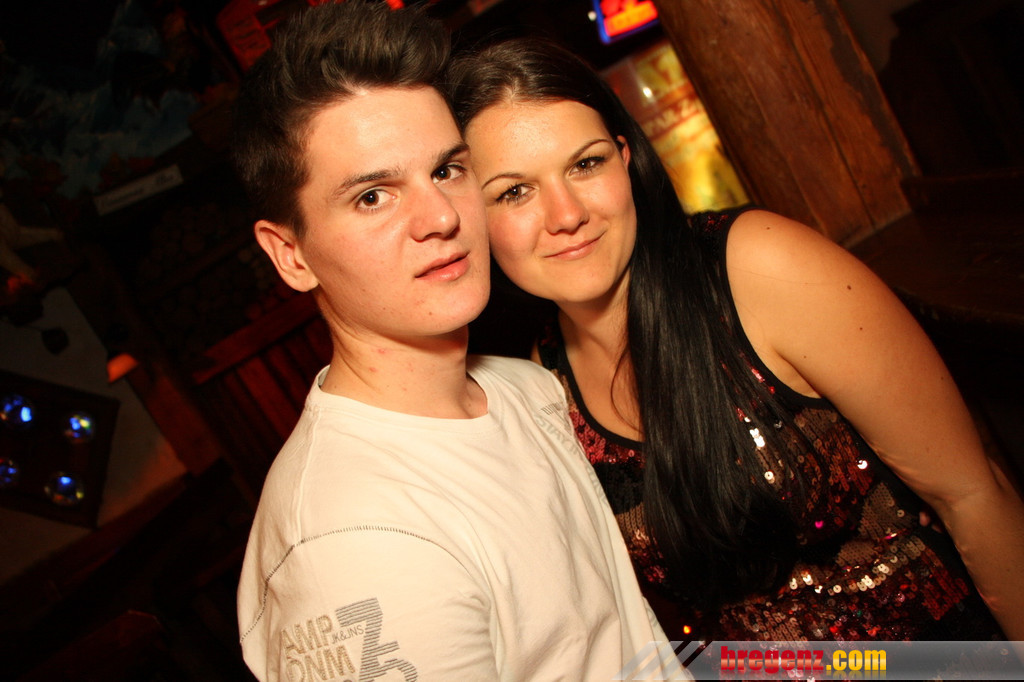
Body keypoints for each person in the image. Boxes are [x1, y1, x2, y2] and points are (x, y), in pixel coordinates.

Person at [446, 37, 1024, 643]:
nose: (567, 214)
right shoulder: (542, 381)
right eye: (514, 191)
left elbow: (973, 497)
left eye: (585, 164)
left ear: (626, 160)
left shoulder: (758, 268)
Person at [231, 4, 675, 680]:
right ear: (291, 254)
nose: (440, 217)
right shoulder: (351, 544)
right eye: (373, 196)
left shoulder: (525, 389)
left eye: (445, 171)